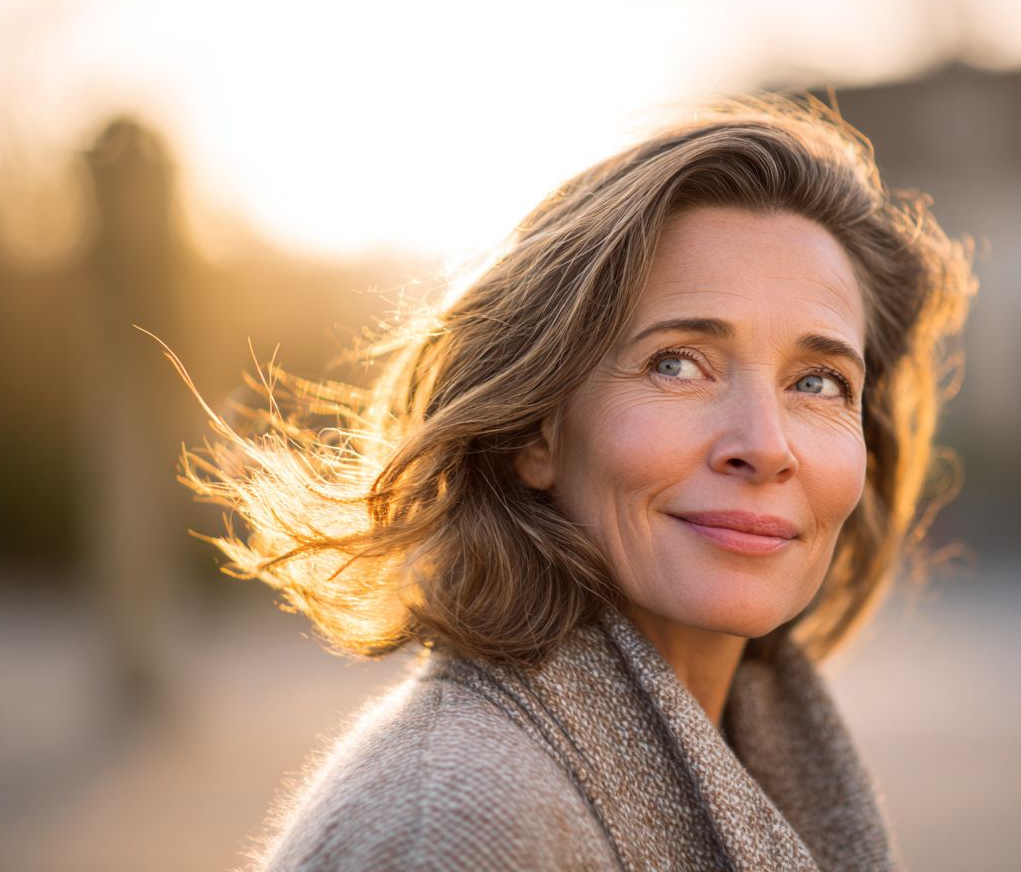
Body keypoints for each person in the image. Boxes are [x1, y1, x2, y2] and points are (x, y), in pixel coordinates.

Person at [177, 95, 975, 871]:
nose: (765, 447)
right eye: (677, 364)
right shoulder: (459, 827)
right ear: (536, 430)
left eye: (820, 381)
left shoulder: (753, 741)